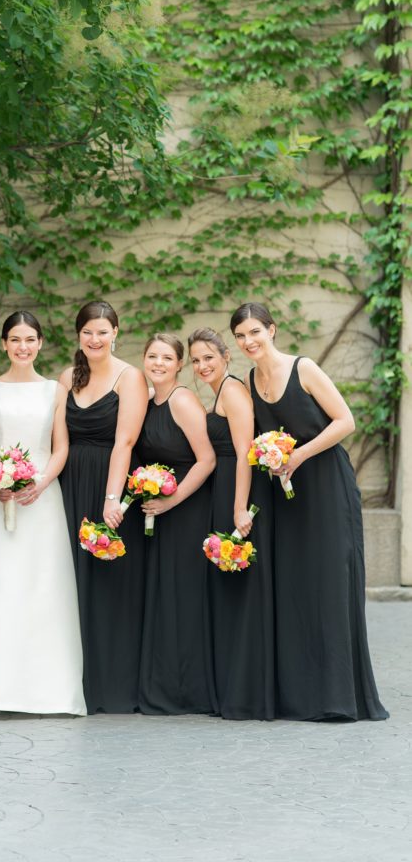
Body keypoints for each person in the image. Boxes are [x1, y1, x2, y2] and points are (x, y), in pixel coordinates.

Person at [231, 301, 388, 721]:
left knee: (329, 586)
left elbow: (345, 421)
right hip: (287, 498)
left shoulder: (304, 369)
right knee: (296, 589)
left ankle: (338, 697)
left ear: (272, 330)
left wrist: (298, 455)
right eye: (241, 336)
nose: (249, 342)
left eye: (255, 333)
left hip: (326, 487)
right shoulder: (249, 381)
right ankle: (299, 696)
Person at [0, 311, 85, 715]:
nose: (22, 346)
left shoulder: (55, 389)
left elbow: (61, 447)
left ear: (40, 344)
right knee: (0, 586)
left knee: (44, 585)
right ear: (4, 344)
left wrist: (39, 482)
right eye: (15, 339)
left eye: (30, 339)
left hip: (42, 496)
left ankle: (52, 691)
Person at [59, 301, 148, 714]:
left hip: (108, 482)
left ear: (116, 332)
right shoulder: (66, 378)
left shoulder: (130, 377)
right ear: (79, 336)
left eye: (102, 331)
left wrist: (112, 498)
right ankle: (72, 681)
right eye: (87, 332)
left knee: (110, 582)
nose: (95, 339)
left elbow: (125, 442)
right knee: (71, 581)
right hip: (68, 484)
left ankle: (112, 685)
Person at [188, 327, 275, 720]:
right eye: (195, 360)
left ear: (225, 356)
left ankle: (245, 692)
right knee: (227, 589)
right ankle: (227, 686)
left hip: (236, 494)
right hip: (222, 491)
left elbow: (244, 454)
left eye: (209, 357)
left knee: (239, 589)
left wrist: (240, 509)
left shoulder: (234, 391)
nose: (202, 365)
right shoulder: (219, 391)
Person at [138, 334, 217, 714]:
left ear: (179, 364)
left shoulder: (182, 400)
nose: (158, 363)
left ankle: (190, 690)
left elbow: (206, 459)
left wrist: (172, 500)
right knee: (166, 596)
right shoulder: (149, 401)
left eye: (167, 358)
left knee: (185, 597)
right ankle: (166, 685)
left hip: (187, 509)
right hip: (161, 512)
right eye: (152, 356)